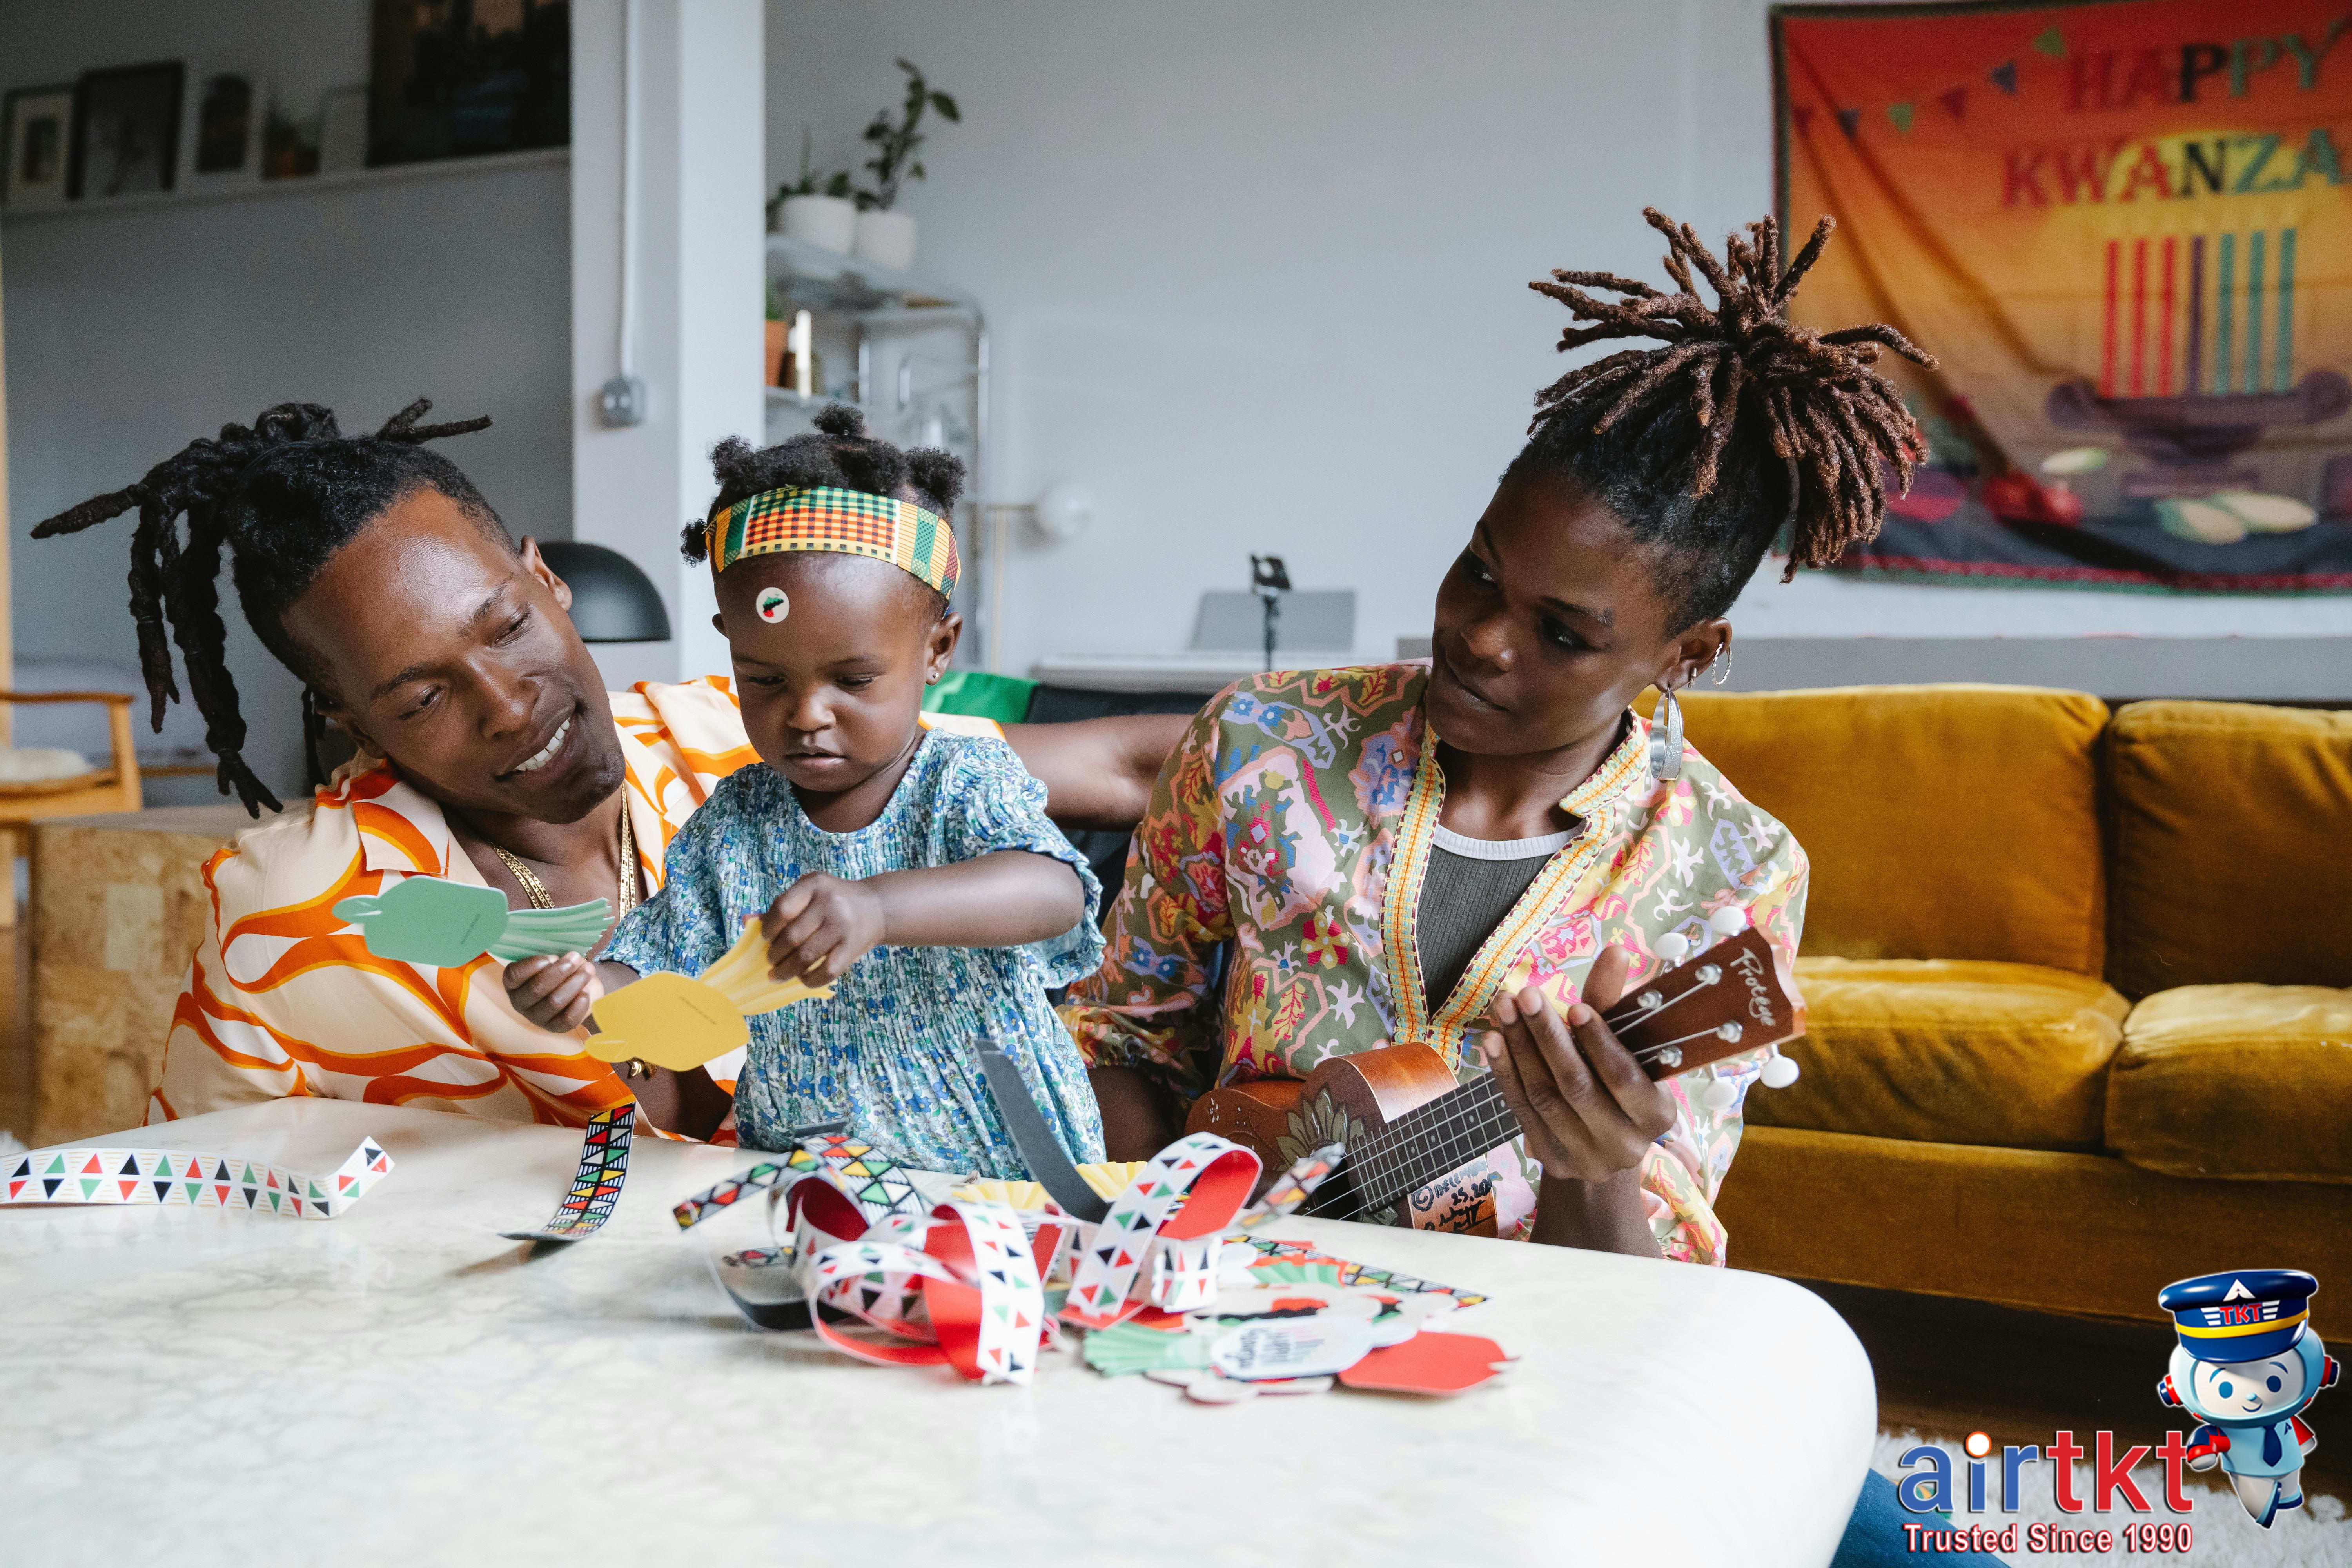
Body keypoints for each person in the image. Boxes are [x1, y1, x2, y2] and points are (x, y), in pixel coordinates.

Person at [33, 399, 1178, 1136]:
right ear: (345, 717)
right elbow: (212, 1185)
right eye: (423, 696)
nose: (511, 707)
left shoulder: (746, 742)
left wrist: (1348, 735)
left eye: (508, 628)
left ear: (547, 578)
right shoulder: (299, 917)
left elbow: (1129, 768)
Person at [506, 413, 1106, 1173]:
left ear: (937, 651)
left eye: (853, 680)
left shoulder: (961, 779)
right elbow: (660, 963)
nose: (807, 713)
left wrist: (878, 907)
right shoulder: (736, 824)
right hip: (807, 1168)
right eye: (764, 679)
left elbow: (1052, 892)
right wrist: (588, 989)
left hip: (999, 1163)